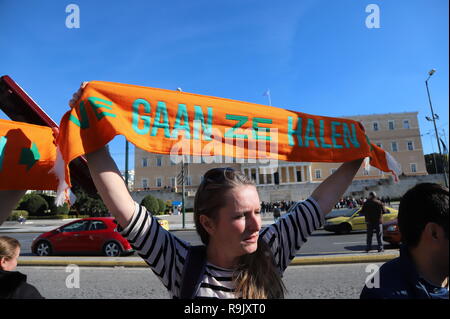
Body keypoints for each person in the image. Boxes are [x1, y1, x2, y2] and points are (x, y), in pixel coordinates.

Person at [360, 183, 449, 299]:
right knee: (378, 237)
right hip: (378, 222)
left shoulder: (367, 203)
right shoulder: (383, 294)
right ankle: (380, 247)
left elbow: (362, 211)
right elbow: (384, 210)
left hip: (370, 223)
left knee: (370, 238)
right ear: (434, 233)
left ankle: (369, 247)